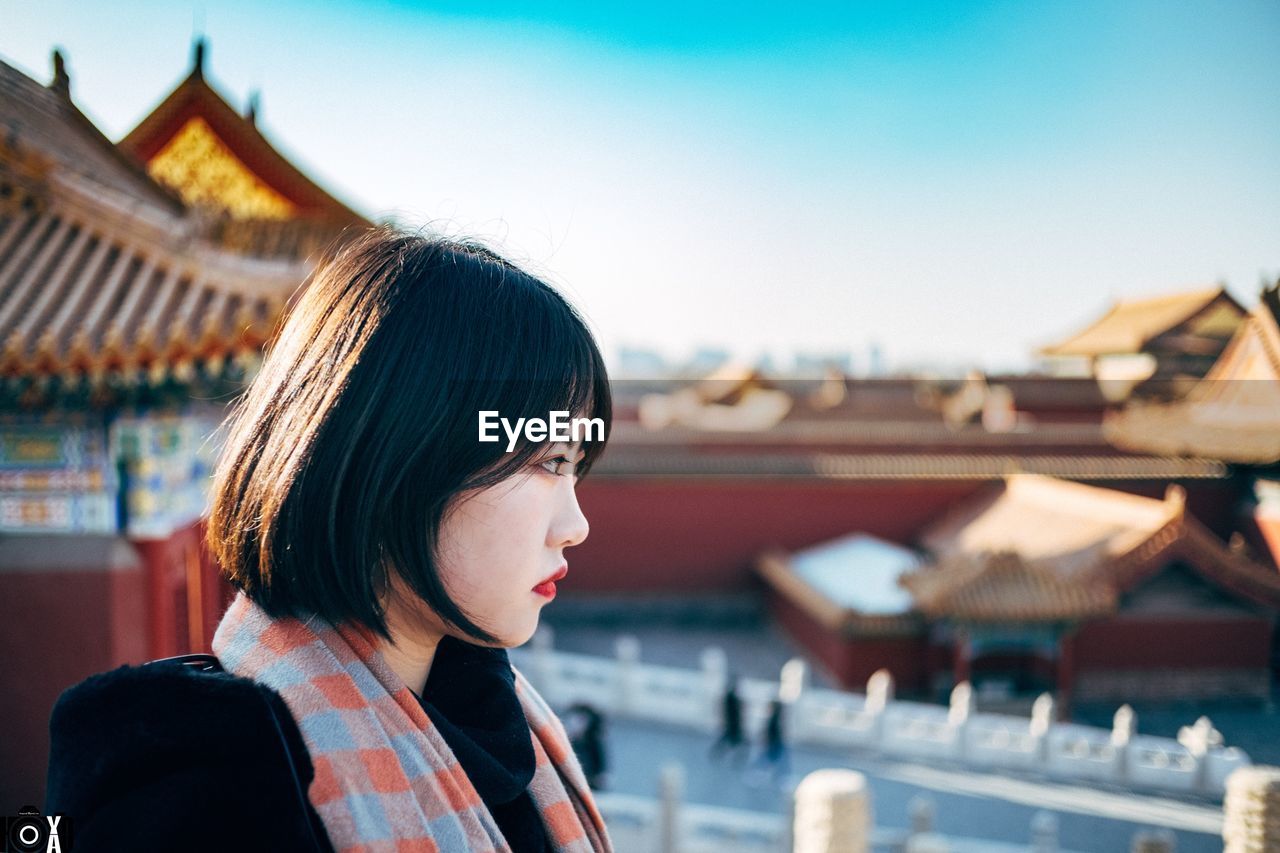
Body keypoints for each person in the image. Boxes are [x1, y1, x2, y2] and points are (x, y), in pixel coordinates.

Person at [46, 229, 615, 852]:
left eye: (575, 466)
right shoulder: (204, 781)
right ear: (399, 457)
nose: (577, 526)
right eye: (549, 461)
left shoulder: (502, 731)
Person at [746, 698, 790, 788]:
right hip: (775, 743)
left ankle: (780, 778)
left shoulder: (775, 718)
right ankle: (779, 778)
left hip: (776, 742)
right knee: (768, 760)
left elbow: (771, 731)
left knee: (775, 761)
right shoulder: (775, 718)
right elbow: (769, 731)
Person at [565, 702, 608, 791]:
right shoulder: (566, 741)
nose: (574, 723)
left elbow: (599, 774)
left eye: (580, 720)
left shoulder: (592, 744)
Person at [708, 675, 747, 767]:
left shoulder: (730, 698)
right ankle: (736, 761)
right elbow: (733, 713)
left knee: (727, 742)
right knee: (731, 742)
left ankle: (716, 754)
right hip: (733, 725)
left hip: (732, 725)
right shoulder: (731, 699)